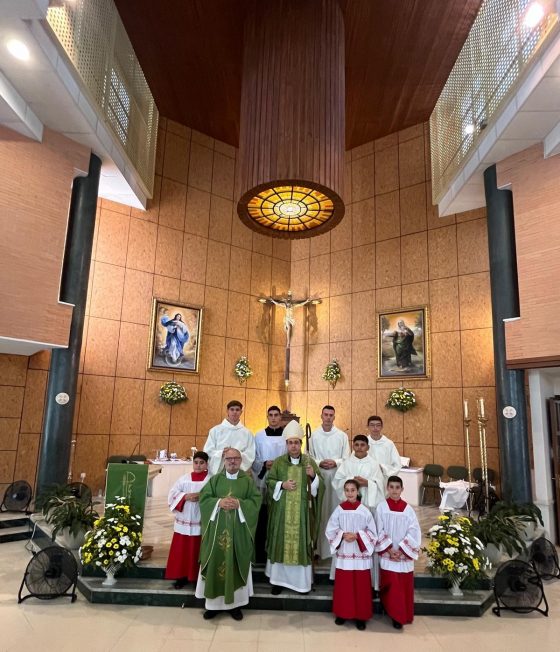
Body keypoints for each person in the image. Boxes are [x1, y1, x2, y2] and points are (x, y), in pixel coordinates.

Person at [195, 448, 262, 621]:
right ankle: (212, 606)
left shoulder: (247, 481)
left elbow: (256, 501)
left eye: (236, 459)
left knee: (236, 560)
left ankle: (235, 605)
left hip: (238, 534)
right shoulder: (215, 480)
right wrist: (218, 502)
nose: (232, 462)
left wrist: (240, 504)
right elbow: (204, 499)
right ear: (224, 460)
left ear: (241, 461)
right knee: (216, 561)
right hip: (216, 532)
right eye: (229, 458)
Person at [266, 420, 324, 594]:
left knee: (300, 544)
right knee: (281, 542)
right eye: (290, 442)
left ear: (301, 444)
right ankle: (278, 581)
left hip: (302, 515)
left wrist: (313, 476)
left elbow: (321, 487)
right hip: (282, 513)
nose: (293, 446)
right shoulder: (278, 463)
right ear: (286, 444)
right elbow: (270, 482)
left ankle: (301, 584)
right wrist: (281, 485)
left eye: (296, 442)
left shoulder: (309, 462)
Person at [326, 479, 378, 630]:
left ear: (358, 492)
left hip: (360, 555)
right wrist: (342, 535)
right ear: (344, 492)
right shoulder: (339, 510)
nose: (350, 493)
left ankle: (361, 617)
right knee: (344, 587)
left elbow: (372, 533)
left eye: (352, 490)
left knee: (361, 587)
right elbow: (330, 529)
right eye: (347, 490)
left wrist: (358, 536)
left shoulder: (364, 510)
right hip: (345, 554)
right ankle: (342, 613)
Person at [375, 475, 421, 630]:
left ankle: (399, 616)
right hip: (388, 555)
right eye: (391, 487)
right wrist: (389, 549)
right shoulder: (381, 507)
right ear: (387, 488)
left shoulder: (408, 510)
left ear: (402, 489)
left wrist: (401, 551)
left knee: (401, 587)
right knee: (390, 585)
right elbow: (378, 530)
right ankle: (391, 611)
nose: (394, 490)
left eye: (397, 487)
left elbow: (414, 532)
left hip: (402, 557)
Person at [309, 405, 350, 558]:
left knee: (334, 511)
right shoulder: (313, 436)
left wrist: (335, 462)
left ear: (334, 417)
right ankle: (319, 549)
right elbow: (309, 457)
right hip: (319, 477)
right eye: (325, 414)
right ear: (321, 416)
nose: (328, 417)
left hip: (336, 479)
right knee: (320, 512)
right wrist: (319, 462)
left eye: (331, 415)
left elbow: (347, 457)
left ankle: (335, 549)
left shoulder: (341, 436)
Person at [165, 451, 210, 588]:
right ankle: (181, 576)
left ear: (207, 464)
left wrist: (201, 496)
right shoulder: (184, 478)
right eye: (196, 462)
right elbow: (172, 494)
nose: (198, 465)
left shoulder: (211, 479)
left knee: (198, 550)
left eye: (201, 463)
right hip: (184, 520)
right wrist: (185, 496)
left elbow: (214, 495)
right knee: (182, 550)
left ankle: (198, 577)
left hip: (201, 520)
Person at [252, 405, 286, 562]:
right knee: (263, 516)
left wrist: (280, 466)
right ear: (267, 417)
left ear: (280, 417)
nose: (273, 418)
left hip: (282, 481)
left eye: (276, 415)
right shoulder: (258, 436)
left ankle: (277, 549)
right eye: (270, 415)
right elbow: (254, 458)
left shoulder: (287, 436)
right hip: (264, 481)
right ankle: (260, 551)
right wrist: (264, 463)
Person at [333, 435, 385, 510]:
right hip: (349, 501)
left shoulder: (374, 464)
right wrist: (352, 481)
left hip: (367, 504)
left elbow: (380, 483)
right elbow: (337, 481)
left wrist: (367, 483)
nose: (359, 448)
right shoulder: (346, 463)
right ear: (353, 446)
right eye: (356, 445)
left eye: (362, 445)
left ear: (368, 447)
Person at [203, 400, 255, 476]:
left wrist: (235, 454)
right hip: (220, 470)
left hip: (239, 471)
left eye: (237, 410)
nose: (234, 412)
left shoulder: (247, 433)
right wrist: (222, 452)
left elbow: (250, 454)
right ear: (227, 411)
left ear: (241, 412)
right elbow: (208, 451)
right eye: (232, 409)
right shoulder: (215, 430)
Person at [366, 415, 402, 482]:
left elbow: (397, 465)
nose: (375, 428)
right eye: (372, 425)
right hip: (366, 481)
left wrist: (383, 468)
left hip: (384, 480)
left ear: (382, 427)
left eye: (378, 425)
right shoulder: (363, 443)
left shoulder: (388, 444)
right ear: (368, 426)